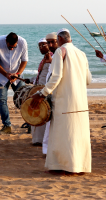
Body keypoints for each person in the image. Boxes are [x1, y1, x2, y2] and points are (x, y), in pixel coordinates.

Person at [30, 29, 92, 176]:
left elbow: (56, 76)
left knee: (63, 133)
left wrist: (42, 93)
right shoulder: (81, 54)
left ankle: (63, 166)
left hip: (64, 100)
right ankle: (78, 166)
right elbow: (88, 79)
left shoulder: (60, 51)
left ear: (59, 39)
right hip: (80, 100)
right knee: (77, 133)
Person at [0, 32, 28, 135]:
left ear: (17, 42)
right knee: (1, 100)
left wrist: (17, 74)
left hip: (17, 74)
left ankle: (30, 124)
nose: (12, 49)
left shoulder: (23, 42)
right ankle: (7, 125)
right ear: (6, 41)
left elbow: (24, 60)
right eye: (9, 47)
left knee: (24, 99)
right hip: (1, 75)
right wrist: (6, 74)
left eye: (14, 47)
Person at [27, 38, 53, 145]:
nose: (41, 47)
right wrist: (30, 80)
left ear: (49, 45)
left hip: (45, 91)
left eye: (44, 45)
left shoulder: (53, 58)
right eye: (40, 46)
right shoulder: (45, 59)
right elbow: (41, 76)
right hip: (40, 89)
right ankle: (38, 140)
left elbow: (52, 77)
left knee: (41, 114)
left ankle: (40, 140)